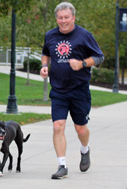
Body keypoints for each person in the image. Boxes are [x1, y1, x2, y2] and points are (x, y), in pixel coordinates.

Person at [40, 2, 104, 179]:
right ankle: (62, 165)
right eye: (60, 18)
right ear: (56, 19)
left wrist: (82, 63)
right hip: (58, 90)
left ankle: (85, 150)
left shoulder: (84, 35)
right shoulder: (50, 35)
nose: (63, 21)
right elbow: (46, 53)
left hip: (79, 90)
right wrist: (44, 66)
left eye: (66, 17)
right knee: (57, 126)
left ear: (73, 17)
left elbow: (99, 57)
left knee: (80, 128)